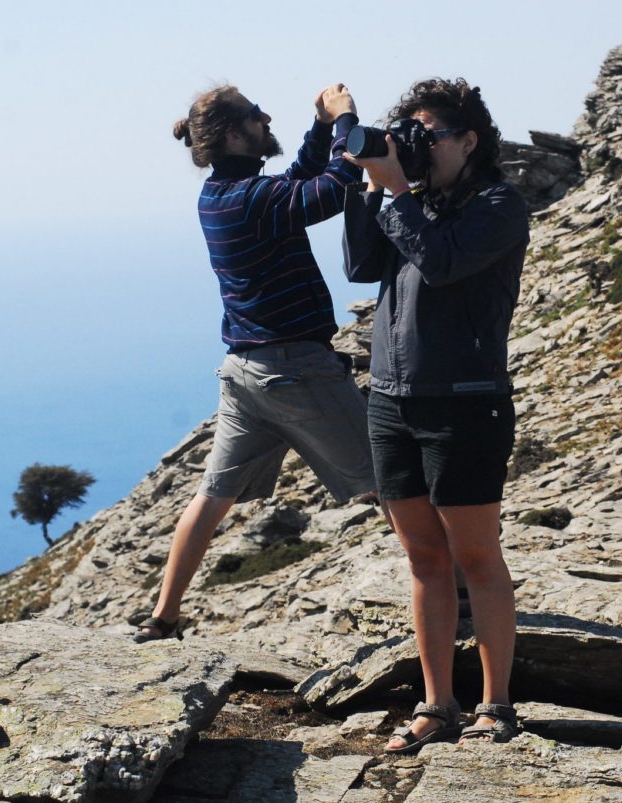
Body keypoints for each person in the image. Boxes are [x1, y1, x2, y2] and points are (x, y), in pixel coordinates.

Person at [133, 83, 375, 642]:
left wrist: (320, 128)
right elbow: (336, 185)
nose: (266, 117)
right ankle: (454, 591)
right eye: (254, 114)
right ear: (233, 134)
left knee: (212, 496)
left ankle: (163, 619)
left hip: (245, 374)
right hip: (296, 370)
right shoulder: (253, 199)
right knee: (392, 476)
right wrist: (347, 121)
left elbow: (297, 181)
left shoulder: (221, 196)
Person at [343, 78, 529, 751]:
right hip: (393, 399)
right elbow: (361, 264)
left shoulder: (499, 204)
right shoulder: (409, 201)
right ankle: (436, 703)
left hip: (465, 400)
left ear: (469, 140)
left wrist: (397, 192)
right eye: (410, 135)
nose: (418, 147)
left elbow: (444, 261)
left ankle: (496, 704)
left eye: (429, 135)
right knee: (424, 557)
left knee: (475, 555)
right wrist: (371, 182)